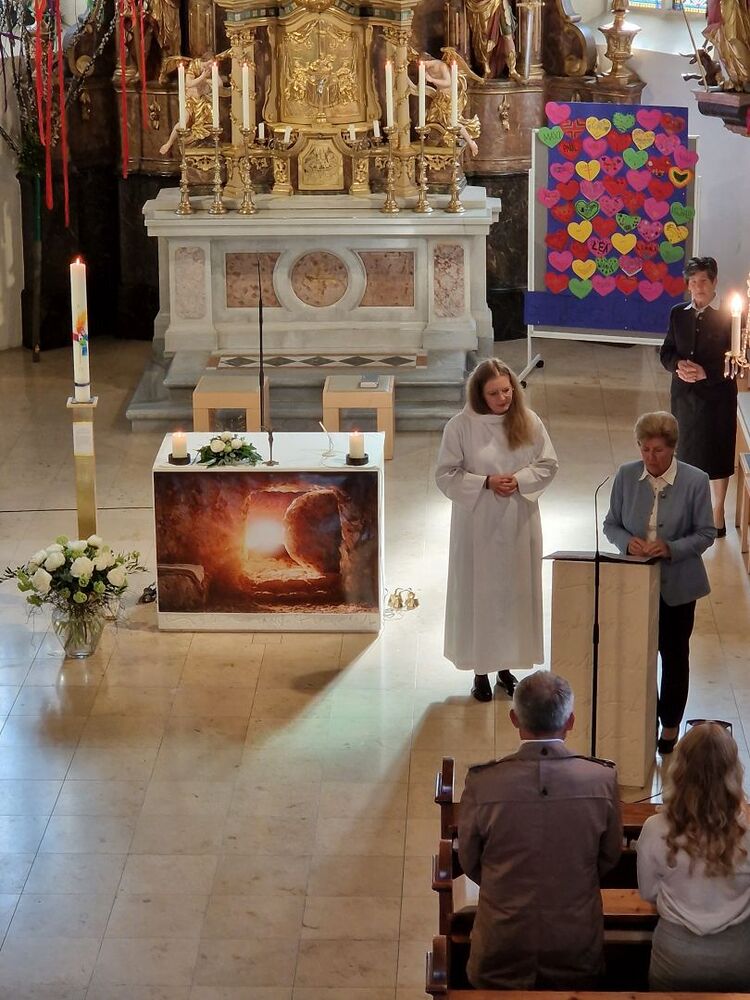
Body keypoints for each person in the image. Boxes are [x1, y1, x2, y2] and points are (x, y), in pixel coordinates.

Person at [458, 671, 622, 989]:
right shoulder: (601, 779)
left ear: (514, 719)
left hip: (501, 944)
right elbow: (609, 856)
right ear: (571, 721)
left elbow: (470, 860)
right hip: (574, 944)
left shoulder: (484, 782)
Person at [435, 359, 558, 702]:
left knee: (513, 595)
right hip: (478, 527)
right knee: (481, 596)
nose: (503, 398)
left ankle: (506, 668)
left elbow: (548, 464)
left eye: (507, 390)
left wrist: (519, 480)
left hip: (518, 522)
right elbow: (445, 474)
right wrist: (486, 482)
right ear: (479, 394)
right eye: (494, 393)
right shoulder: (460, 427)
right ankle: (480, 672)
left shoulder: (528, 421)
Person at [603, 411, 716, 754]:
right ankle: (642, 719)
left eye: (658, 451)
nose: (650, 458)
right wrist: (627, 542)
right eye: (644, 449)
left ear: (673, 448)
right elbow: (611, 524)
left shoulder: (695, 480)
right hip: (634, 583)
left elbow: (706, 533)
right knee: (638, 654)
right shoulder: (626, 475)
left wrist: (670, 548)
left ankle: (670, 727)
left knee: (674, 655)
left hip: (678, 586)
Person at [637, 723, 750, 990]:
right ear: (733, 771)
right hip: (737, 953)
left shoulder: (655, 828)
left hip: (676, 955)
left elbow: (648, 892)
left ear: (680, 769)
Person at [660, 256, 737, 535]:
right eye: (692, 282)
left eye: (703, 281)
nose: (697, 287)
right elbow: (667, 351)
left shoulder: (730, 317)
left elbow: (738, 359)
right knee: (686, 452)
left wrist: (706, 372)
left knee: (717, 453)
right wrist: (678, 365)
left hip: (717, 398)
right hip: (685, 397)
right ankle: (688, 511)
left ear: (714, 282)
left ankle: (717, 512)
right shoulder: (678, 313)